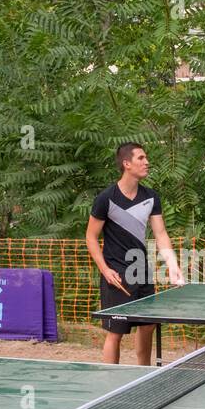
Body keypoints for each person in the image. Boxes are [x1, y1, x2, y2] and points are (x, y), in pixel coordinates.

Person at [86, 142, 184, 364]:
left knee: (148, 326)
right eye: (141, 158)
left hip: (142, 271)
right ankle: (111, 382)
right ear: (126, 163)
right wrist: (105, 270)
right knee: (116, 332)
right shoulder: (106, 198)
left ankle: (143, 375)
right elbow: (91, 238)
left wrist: (172, 264)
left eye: (146, 157)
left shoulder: (151, 197)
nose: (147, 162)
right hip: (117, 274)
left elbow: (160, 234)